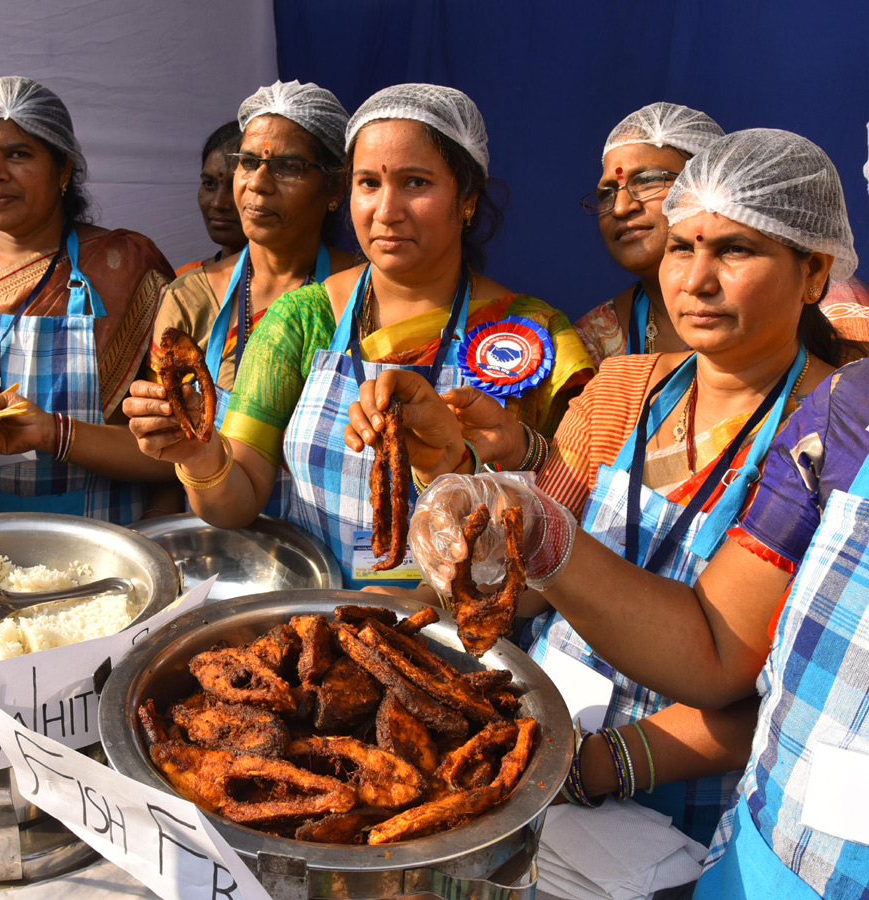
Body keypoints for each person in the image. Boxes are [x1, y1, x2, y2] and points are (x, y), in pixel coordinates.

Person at [408, 130, 868, 887]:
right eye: (682, 246)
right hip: (541, 752)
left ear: (814, 271)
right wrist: (469, 528)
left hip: (683, 813)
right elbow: (525, 584)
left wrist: (602, 765)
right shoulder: (621, 391)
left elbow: (775, 685)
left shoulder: (828, 436)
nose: (696, 279)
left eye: (736, 251)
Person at [126, 84, 593, 588]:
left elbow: (573, 514)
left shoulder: (531, 331)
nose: (386, 210)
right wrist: (199, 456)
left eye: (415, 183)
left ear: (468, 202)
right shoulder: (303, 319)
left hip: (463, 627)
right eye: (368, 183)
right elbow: (237, 498)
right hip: (313, 618)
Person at [0, 76, 176, 519]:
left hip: (108, 536)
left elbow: (176, 448)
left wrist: (56, 434)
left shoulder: (126, 266)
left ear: (63, 170)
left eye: (18, 154)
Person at [141, 81, 356, 519]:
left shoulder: (361, 294)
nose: (258, 183)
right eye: (249, 162)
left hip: (333, 556)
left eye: (288, 166)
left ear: (335, 188)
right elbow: (165, 448)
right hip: (219, 545)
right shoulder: (192, 297)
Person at [574, 102, 724, 365]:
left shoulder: (801, 307)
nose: (620, 208)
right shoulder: (595, 339)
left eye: (647, 180)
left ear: (711, 183)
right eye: (607, 193)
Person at [175, 120, 248, 275]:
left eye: (235, 186)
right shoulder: (183, 283)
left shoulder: (302, 290)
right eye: (209, 184)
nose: (218, 203)